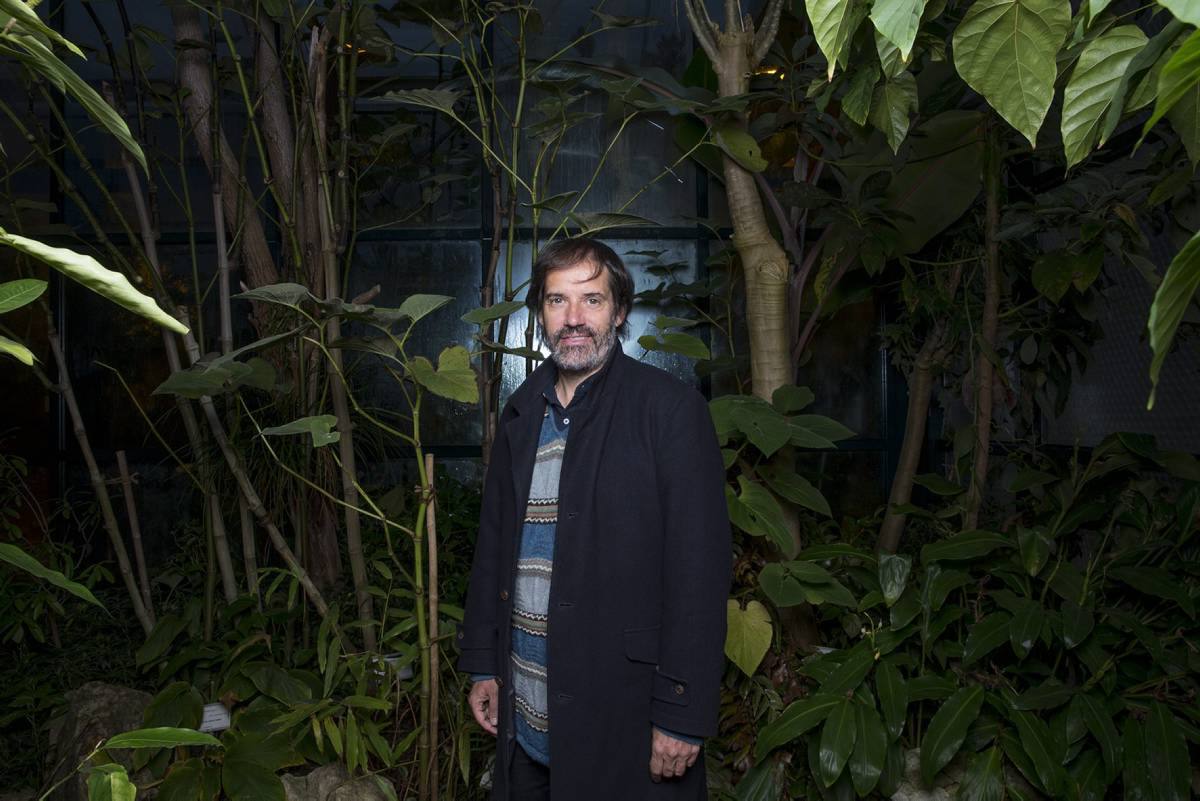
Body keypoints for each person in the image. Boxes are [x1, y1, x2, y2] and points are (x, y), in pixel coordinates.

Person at [456, 237, 731, 800]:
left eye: (592, 300)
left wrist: (681, 712)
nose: (574, 319)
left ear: (620, 310)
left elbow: (698, 577)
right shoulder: (521, 414)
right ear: (541, 314)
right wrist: (484, 662)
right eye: (557, 301)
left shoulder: (670, 412)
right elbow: (494, 550)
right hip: (527, 718)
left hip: (622, 716)